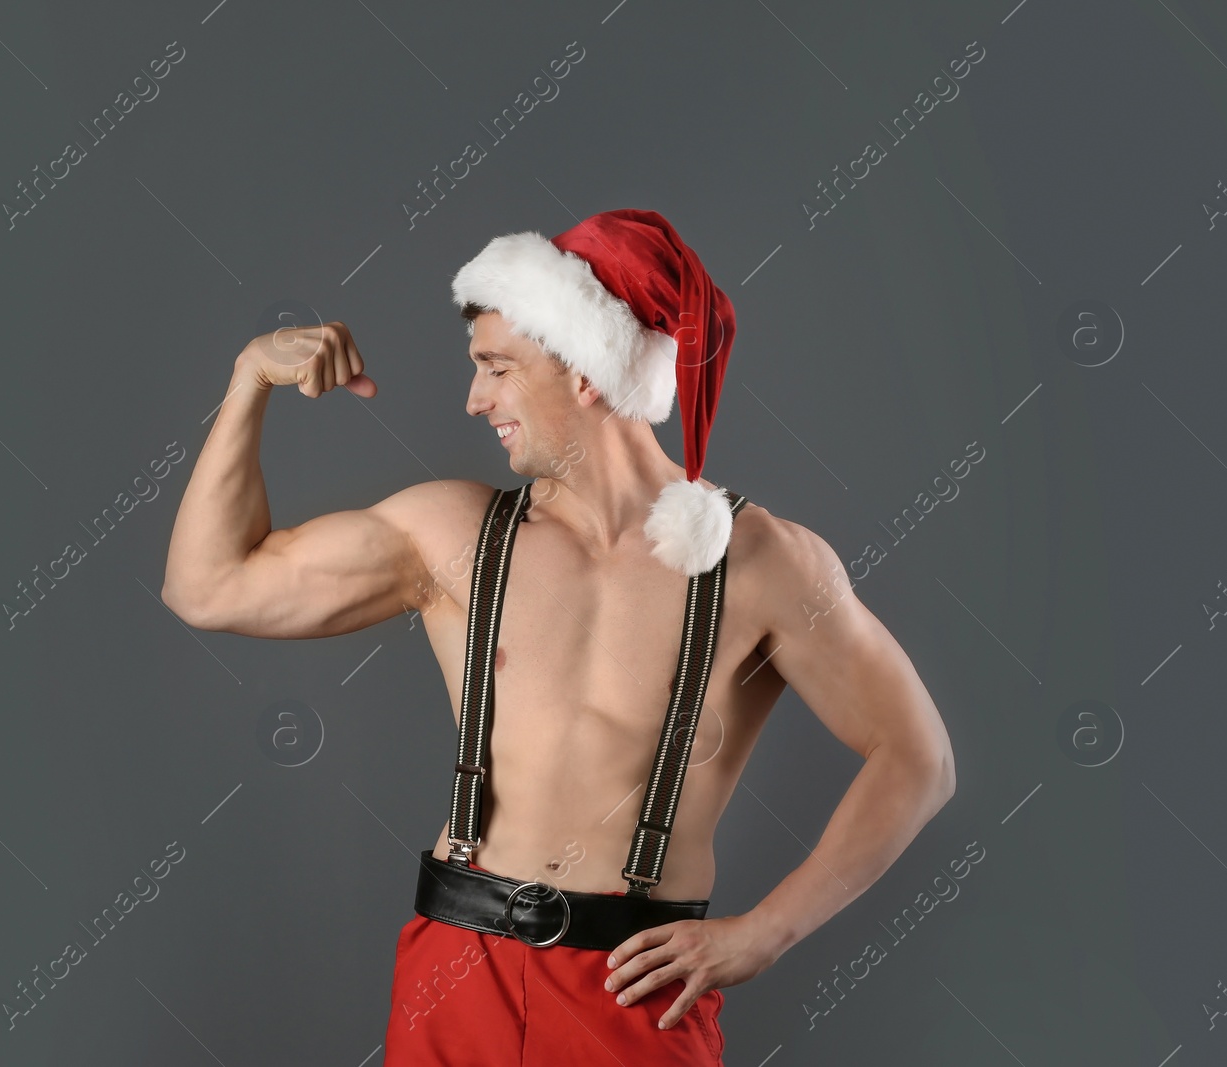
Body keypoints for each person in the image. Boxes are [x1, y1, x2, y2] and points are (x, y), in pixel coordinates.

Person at [161, 209, 955, 1065]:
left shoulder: (761, 564)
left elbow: (918, 758)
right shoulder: (451, 536)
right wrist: (248, 383)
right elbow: (206, 586)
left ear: (585, 370)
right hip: (458, 972)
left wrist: (763, 933)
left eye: (497, 368)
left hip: (633, 993)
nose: (475, 399)